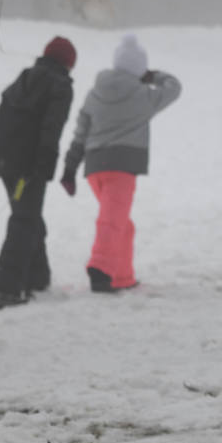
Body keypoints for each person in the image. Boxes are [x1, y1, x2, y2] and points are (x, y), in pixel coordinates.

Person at [0, 36, 77, 310]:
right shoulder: (60, 86)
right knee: (24, 222)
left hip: (6, 164)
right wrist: (43, 167)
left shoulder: (22, 81)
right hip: (30, 166)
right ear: (68, 63)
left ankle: (38, 280)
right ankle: (5, 290)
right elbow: (52, 129)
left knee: (29, 217)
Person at [61, 33, 183, 292]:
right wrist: (153, 76)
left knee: (122, 224)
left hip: (95, 168)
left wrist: (70, 169)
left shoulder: (94, 94)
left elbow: (80, 133)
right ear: (139, 69)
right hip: (122, 167)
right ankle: (100, 269)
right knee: (112, 221)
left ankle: (121, 277)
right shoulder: (144, 96)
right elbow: (174, 87)